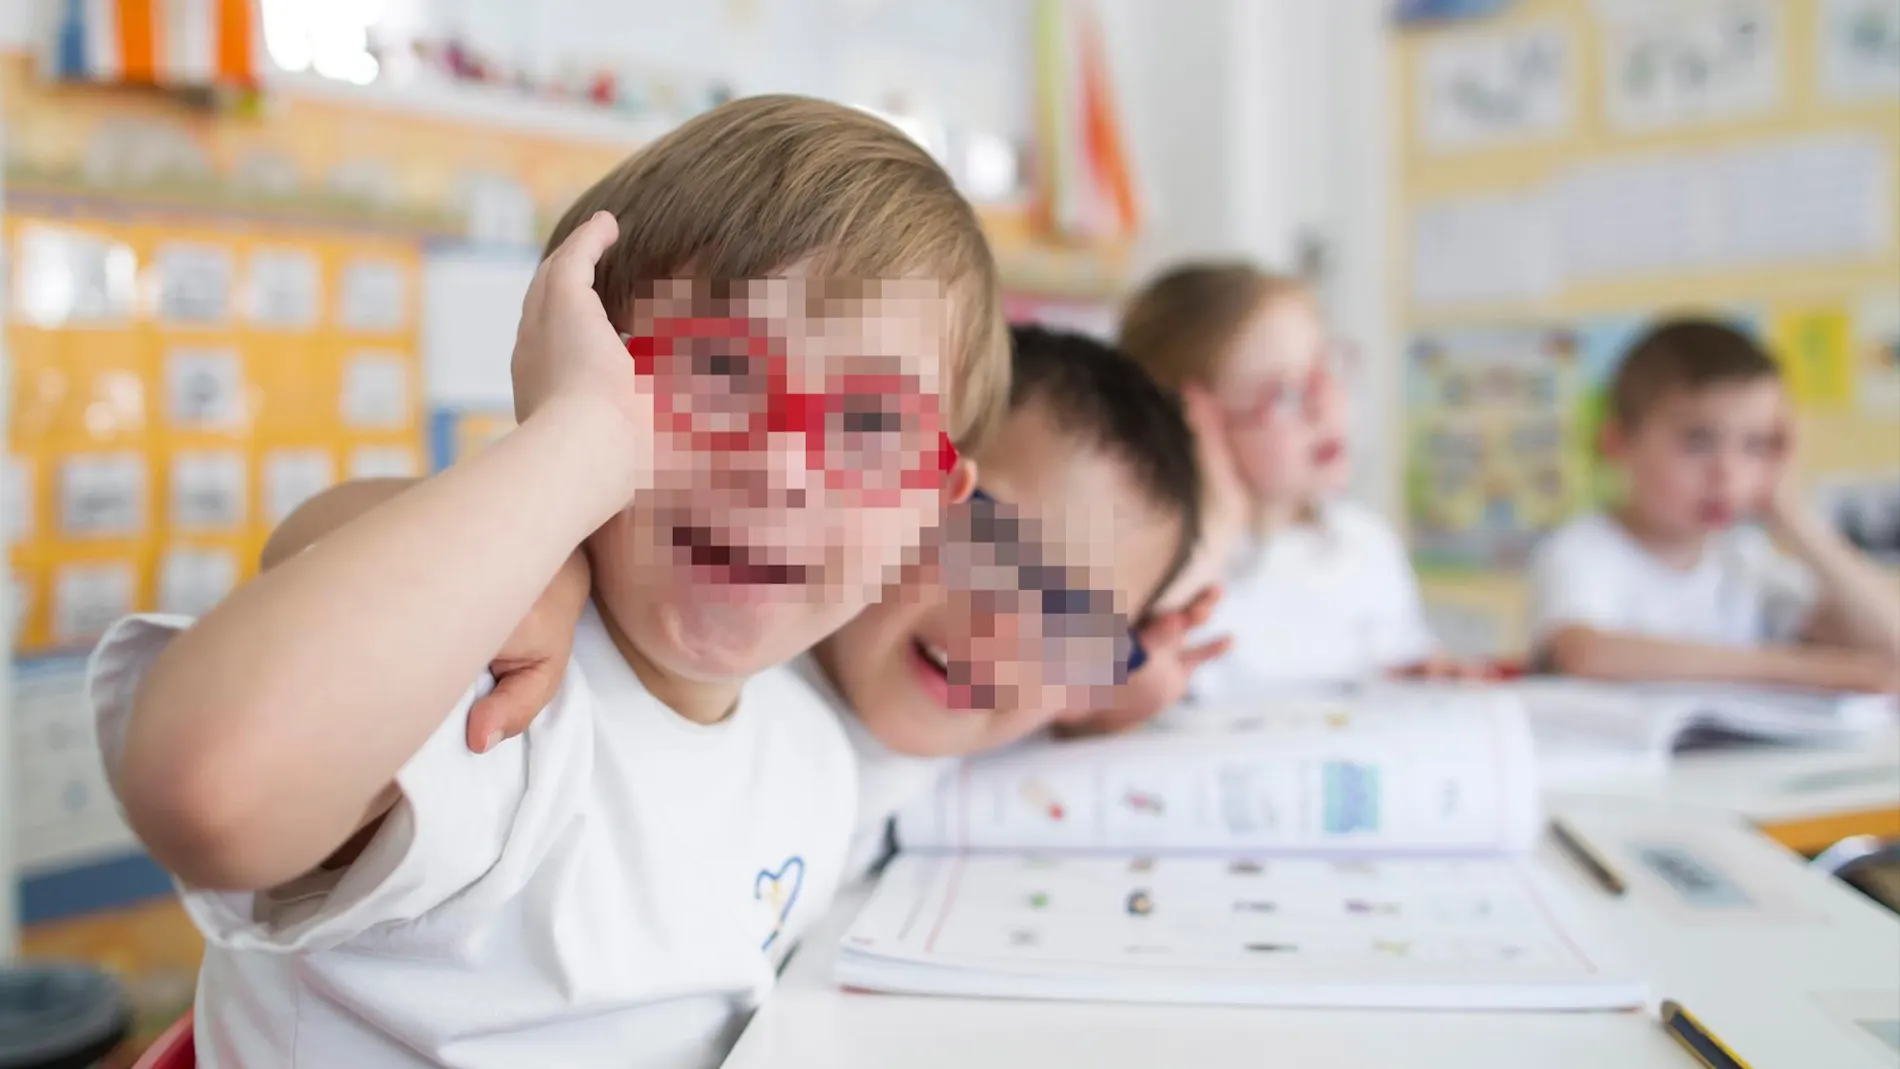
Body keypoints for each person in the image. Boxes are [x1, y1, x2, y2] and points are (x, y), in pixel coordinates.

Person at [87, 96, 1009, 1069]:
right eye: (714, 371)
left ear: (932, 508)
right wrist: (567, 452)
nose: (778, 467)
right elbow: (213, 789)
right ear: (573, 380)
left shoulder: (813, 757)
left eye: (868, 424)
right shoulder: (490, 693)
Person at [306, 326, 1209, 883]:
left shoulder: (980, 707)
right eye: (995, 550)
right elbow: (319, 553)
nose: (1007, 636)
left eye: (1070, 625)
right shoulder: (684, 647)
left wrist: (1116, 683)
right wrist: (530, 557)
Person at [1117, 261, 1471, 701]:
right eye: (1284, 393)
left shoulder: (1366, 544)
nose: (1324, 405)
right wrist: (1222, 518)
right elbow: (1124, 678)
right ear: (1192, 424)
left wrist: (1430, 671)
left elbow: (1409, 655)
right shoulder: (1157, 565)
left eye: (1326, 369)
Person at [1528, 318, 1900, 691]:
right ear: (1618, 443)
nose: (1728, 474)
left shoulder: (1744, 558)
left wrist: (1793, 516)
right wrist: (1806, 668)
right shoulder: (1583, 549)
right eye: (1699, 442)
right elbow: (1587, 654)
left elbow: (1892, 644)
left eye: (1756, 444)